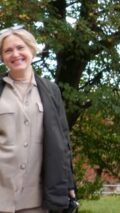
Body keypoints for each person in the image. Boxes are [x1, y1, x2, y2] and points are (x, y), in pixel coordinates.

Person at [0, 25, 77, 212]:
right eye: (8, 50)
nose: (15, 54)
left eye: (20, 48)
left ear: (31, 50)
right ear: (2, 57)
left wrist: (69, 184)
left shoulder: (51, 91)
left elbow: (62, 140)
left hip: (36, 199)